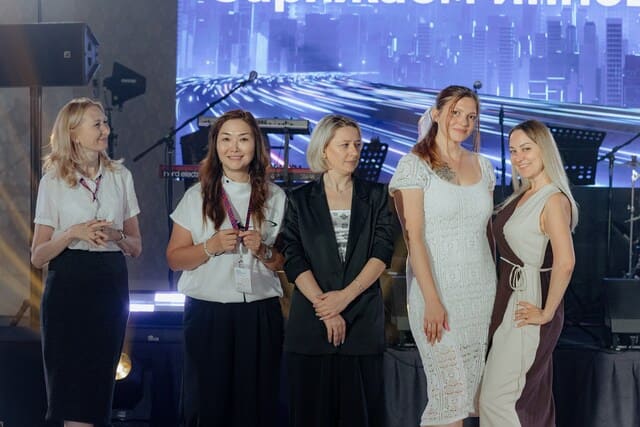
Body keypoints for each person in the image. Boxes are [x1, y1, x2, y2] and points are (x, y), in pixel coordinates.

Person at [166, 109, 286, 427]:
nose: (234, 148)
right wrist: (211, 246)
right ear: (215, 146)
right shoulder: (197, 196)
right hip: (208, 313)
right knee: (207, 406)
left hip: (259, 314)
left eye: (243, 139)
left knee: (256, 407)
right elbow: (174, 259)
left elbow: (282, 263)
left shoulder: (276, 197)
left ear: (256, 145)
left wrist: (263, 250)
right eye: (226, 139)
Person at [389, 85, 497, 427]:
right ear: (436, 114)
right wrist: (432, 300)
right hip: (436, 293)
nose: (463, 121)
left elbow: (485, 233)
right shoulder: (414, 165)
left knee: (468, 400)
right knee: (448, 397)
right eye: (455, 113)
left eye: (471, 116)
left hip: (480, 294)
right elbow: (414, 238)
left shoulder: (484, 166)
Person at [280, 114, 398, 427]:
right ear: (324, 150)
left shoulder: (376, 196)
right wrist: (326, 308)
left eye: (357, 145)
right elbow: (293, 257)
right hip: (311, 324)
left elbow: (381, 253)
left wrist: (344, 298)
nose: (353, 152)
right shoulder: (299, 200)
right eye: (345, 145)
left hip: (361, 321)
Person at [31, 97, 142, 427]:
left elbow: (136, 246)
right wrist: (72, 233)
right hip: (68, 285)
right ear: (73, 133)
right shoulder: (53, 180)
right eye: (97, 124)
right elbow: (38, 255)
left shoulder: (121, 176)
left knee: (97, 391)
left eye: (105, 122)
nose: (105, 129)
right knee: (69, 392)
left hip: (109, 285)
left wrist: (116, 235)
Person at [479, 120, 577, 427]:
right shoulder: (523, 193)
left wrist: (547, 313)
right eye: (513, 151)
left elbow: (565, 262)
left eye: (526, 149)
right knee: (509, 399)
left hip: (528, 301)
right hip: (510, 299)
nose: (519, 157)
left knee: (499, 399)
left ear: (544, 149)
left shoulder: (553, 199)